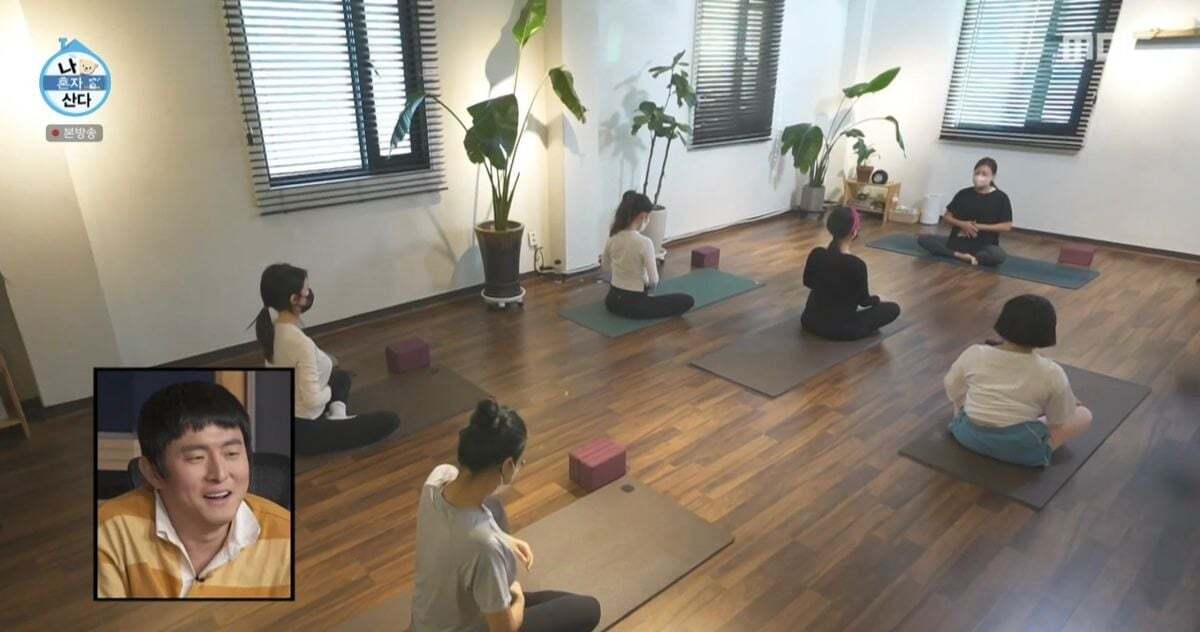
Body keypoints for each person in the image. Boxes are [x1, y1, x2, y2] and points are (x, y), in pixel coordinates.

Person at [411, 400, 601, 632]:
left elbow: (467, 526)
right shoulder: (484, 547)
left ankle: (502, 597)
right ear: (508, 465)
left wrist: (506, 539)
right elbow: (504, 630)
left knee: (494, 506)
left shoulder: (437, 478)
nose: (523, 464)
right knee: (589, 609)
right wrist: (517, 594)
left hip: (426, 622)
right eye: (521, 461)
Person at [97, 381, 292, 598]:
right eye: (196, 458)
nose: (219, 474)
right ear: (153, 472)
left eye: (231, 453)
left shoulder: (287, 538)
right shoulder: (109, 530)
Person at [254, 263, 399, 455]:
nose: (309, 293)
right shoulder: (299, 343)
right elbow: (313, 400)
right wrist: (328, 391)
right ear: (294, 299)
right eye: (306, 290)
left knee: (342, 377)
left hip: (284, 411)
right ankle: (334, 421)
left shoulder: (271, 326)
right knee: (389, 420)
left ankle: (338, 415)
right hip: (303, 428)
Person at [943, 294, 1093, 467]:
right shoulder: (1051, 372)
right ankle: (1031, 440)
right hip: (1018, 450)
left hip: (966, 434)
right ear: (1047, 332)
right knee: (1084, 415)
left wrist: (965, 406)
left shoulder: (975, 353)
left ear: (1003, 321)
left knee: (964, 395)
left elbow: (951, 386)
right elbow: (1057, 421)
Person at [801, 206, 900, 340]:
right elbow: (864, 301)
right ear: (854, 232)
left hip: (809, 321)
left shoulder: (817, 253)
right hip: (840, 329)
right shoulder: (856, 265)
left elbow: (808, 282)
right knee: (893, 309)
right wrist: (878, 298)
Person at [601, 191, 695, 319]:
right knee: (687, 300)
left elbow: (606, 267)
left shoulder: (613, 238)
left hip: (612, 301)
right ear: (643, 216)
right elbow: (654, 281)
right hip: (634, 306)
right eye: (648, 217)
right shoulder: (645, 243)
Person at [917, 157, 1013, 267]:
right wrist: (963, 224)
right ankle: (960, 256)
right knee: (923, 239)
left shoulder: (1001, 198)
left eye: (984, 174)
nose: (979, 177)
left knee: (998, 255)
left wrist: (977, 226)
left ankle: (971, 256)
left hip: (985, 244)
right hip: (958, 241)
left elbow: (1006, 226)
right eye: (977, 173)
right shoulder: (963, 194)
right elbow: (947, 216)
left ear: (993, 176)